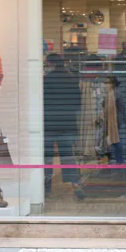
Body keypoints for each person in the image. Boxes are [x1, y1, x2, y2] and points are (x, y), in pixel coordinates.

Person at [43, 53, 84, 200]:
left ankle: (46, 188)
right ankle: (75, 183)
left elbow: (42, 102)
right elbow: (78, 103)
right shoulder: (71, 80)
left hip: (48, 124)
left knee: (47, 157)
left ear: (51, 64)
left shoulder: (46, 80)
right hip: (67, 123)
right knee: (68, 156)